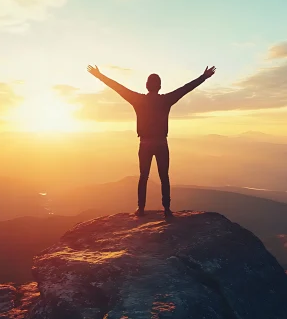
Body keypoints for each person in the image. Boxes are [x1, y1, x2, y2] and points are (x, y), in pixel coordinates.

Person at [87, 64, 217, 217]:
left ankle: (141, 209)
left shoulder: (138, 100)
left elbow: (118, 87)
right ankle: (167, 209)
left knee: (143, 176)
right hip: (161, 143)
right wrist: (203, 77)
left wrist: (99, 75)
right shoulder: (166, 100)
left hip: (145, 144)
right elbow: (185, 88)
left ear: (147, 86)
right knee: (164, 176)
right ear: (160, 86)